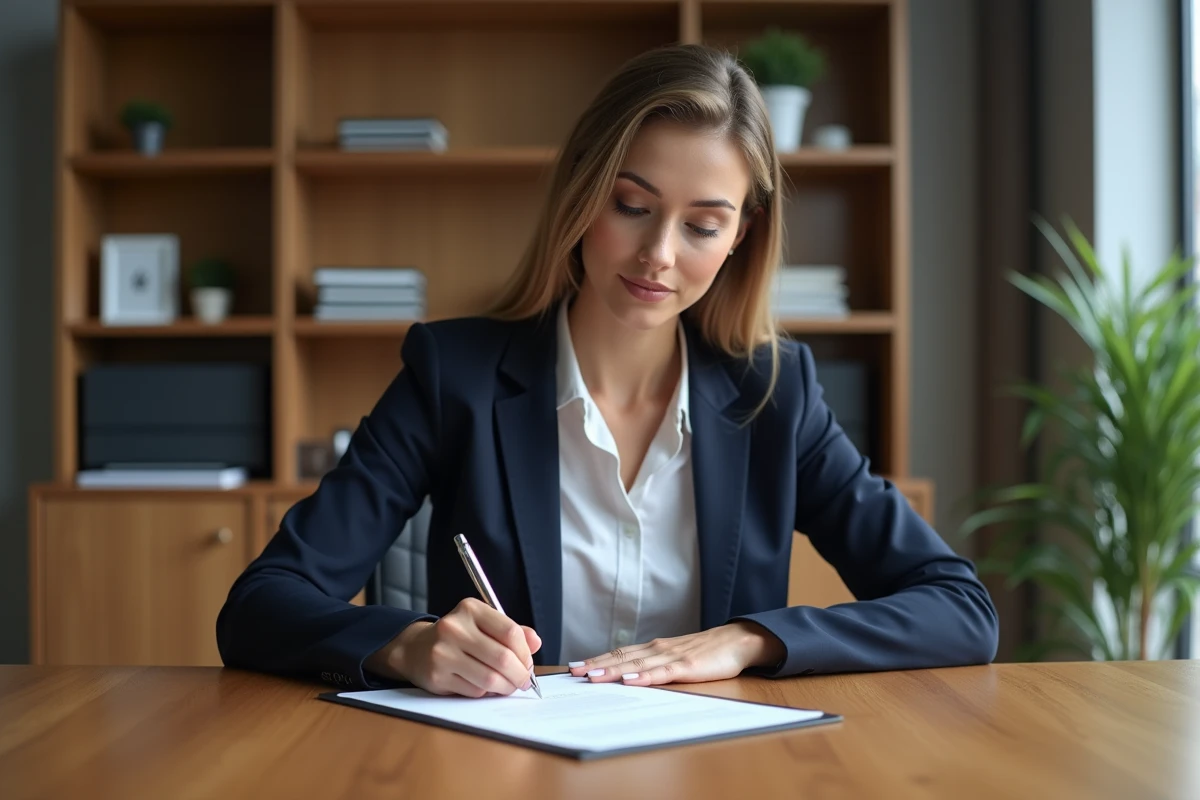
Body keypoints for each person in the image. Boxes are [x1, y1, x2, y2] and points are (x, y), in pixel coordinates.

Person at [216, 43, 998, 698]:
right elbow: (260, 605)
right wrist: (405, 646)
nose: (660, 255)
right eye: (631, 205)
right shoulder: (455, 374)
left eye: (702, 225)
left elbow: (961, 609)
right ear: (583, 193)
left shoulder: (775, 393)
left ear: (741, 238)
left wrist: (751, 640)